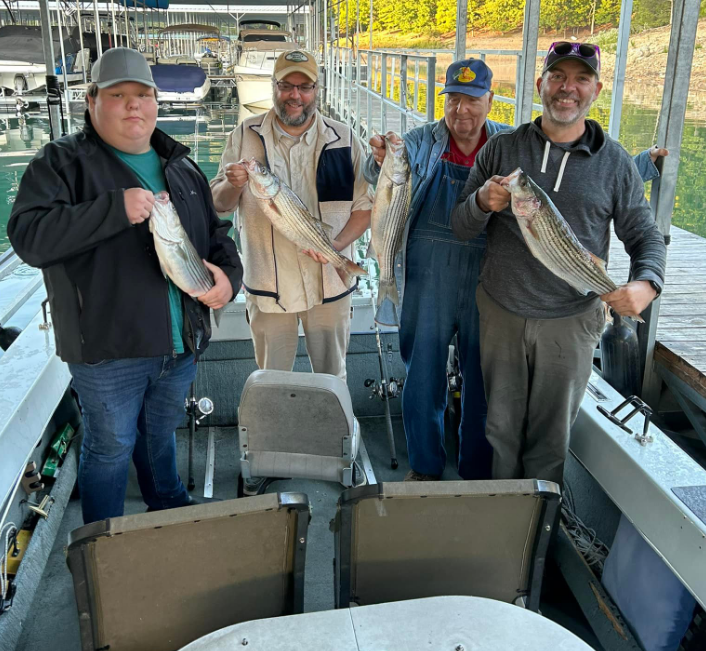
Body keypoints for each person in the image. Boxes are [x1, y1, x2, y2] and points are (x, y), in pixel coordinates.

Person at [363, 57, 665, 483]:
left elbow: (592, 192)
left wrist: (646, 276)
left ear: (491, 100)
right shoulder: (438, 142)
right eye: (452, 99)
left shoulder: (514, 146)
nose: (461, 110)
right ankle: (426, 470)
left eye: (472, 100)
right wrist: (378, 159)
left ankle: (475, 477)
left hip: (503, 286)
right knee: (423, 379)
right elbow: (384, 172)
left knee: (483, 392)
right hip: (445, 280)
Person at [8, 48, 242, 523]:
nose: (133, 105)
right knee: (111, 445)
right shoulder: (61, 163)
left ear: (156, 102)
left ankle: (168, 505)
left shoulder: (179, 164)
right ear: (92, 100)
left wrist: (229, 280)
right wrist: (112, 210)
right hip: (108, 349)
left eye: (142, 95)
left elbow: (217, 236)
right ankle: (104, 541)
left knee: (159, 435)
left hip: (181, 344)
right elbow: (29, 237)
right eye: (118, 95)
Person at [451, 41, 667, 485]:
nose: (567, 88)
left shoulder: (618, 164)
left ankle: (536, 538)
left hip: (571, 321)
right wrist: (481, 202)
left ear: (596, 90)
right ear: (540, 83)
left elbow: (644, 236)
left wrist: (646, 284)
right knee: (500, 430)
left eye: (581, 79)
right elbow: (460, 226)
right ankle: (503, 525)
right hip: (502, 313)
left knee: (550, 440)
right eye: (558, 77)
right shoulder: (502, 149)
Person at [210, 49, 372, 384]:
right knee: (271, 382)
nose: (294, 95)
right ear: (273, 86)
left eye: (304, 86)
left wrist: (335, 248)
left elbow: (365, 207)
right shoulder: (244, 134)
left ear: (317, 90)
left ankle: (331, 438)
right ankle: (274, 438)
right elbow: (218, 205)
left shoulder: (344, 138)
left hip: (330, 286)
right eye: (286, 85)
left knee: (332, 378)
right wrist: (231, 182)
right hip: (269, 288)